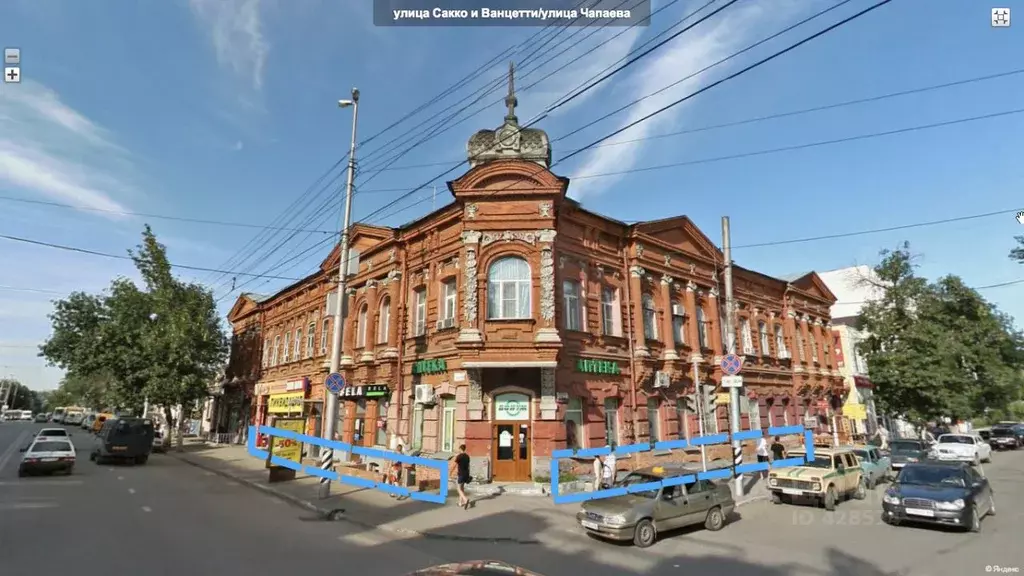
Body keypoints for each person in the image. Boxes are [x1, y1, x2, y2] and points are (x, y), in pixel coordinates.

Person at [452, 444, 471, 510]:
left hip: (461, 474)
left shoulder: (459, 456)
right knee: (462, 488)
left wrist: (450, 472)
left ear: (460, 449)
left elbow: (454, 465)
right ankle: (460, 503)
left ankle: (465, 500)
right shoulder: (467, 456)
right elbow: (469, 466)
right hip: (466, 474)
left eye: (459, 449)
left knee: (458, 489)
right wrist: (468, 474)